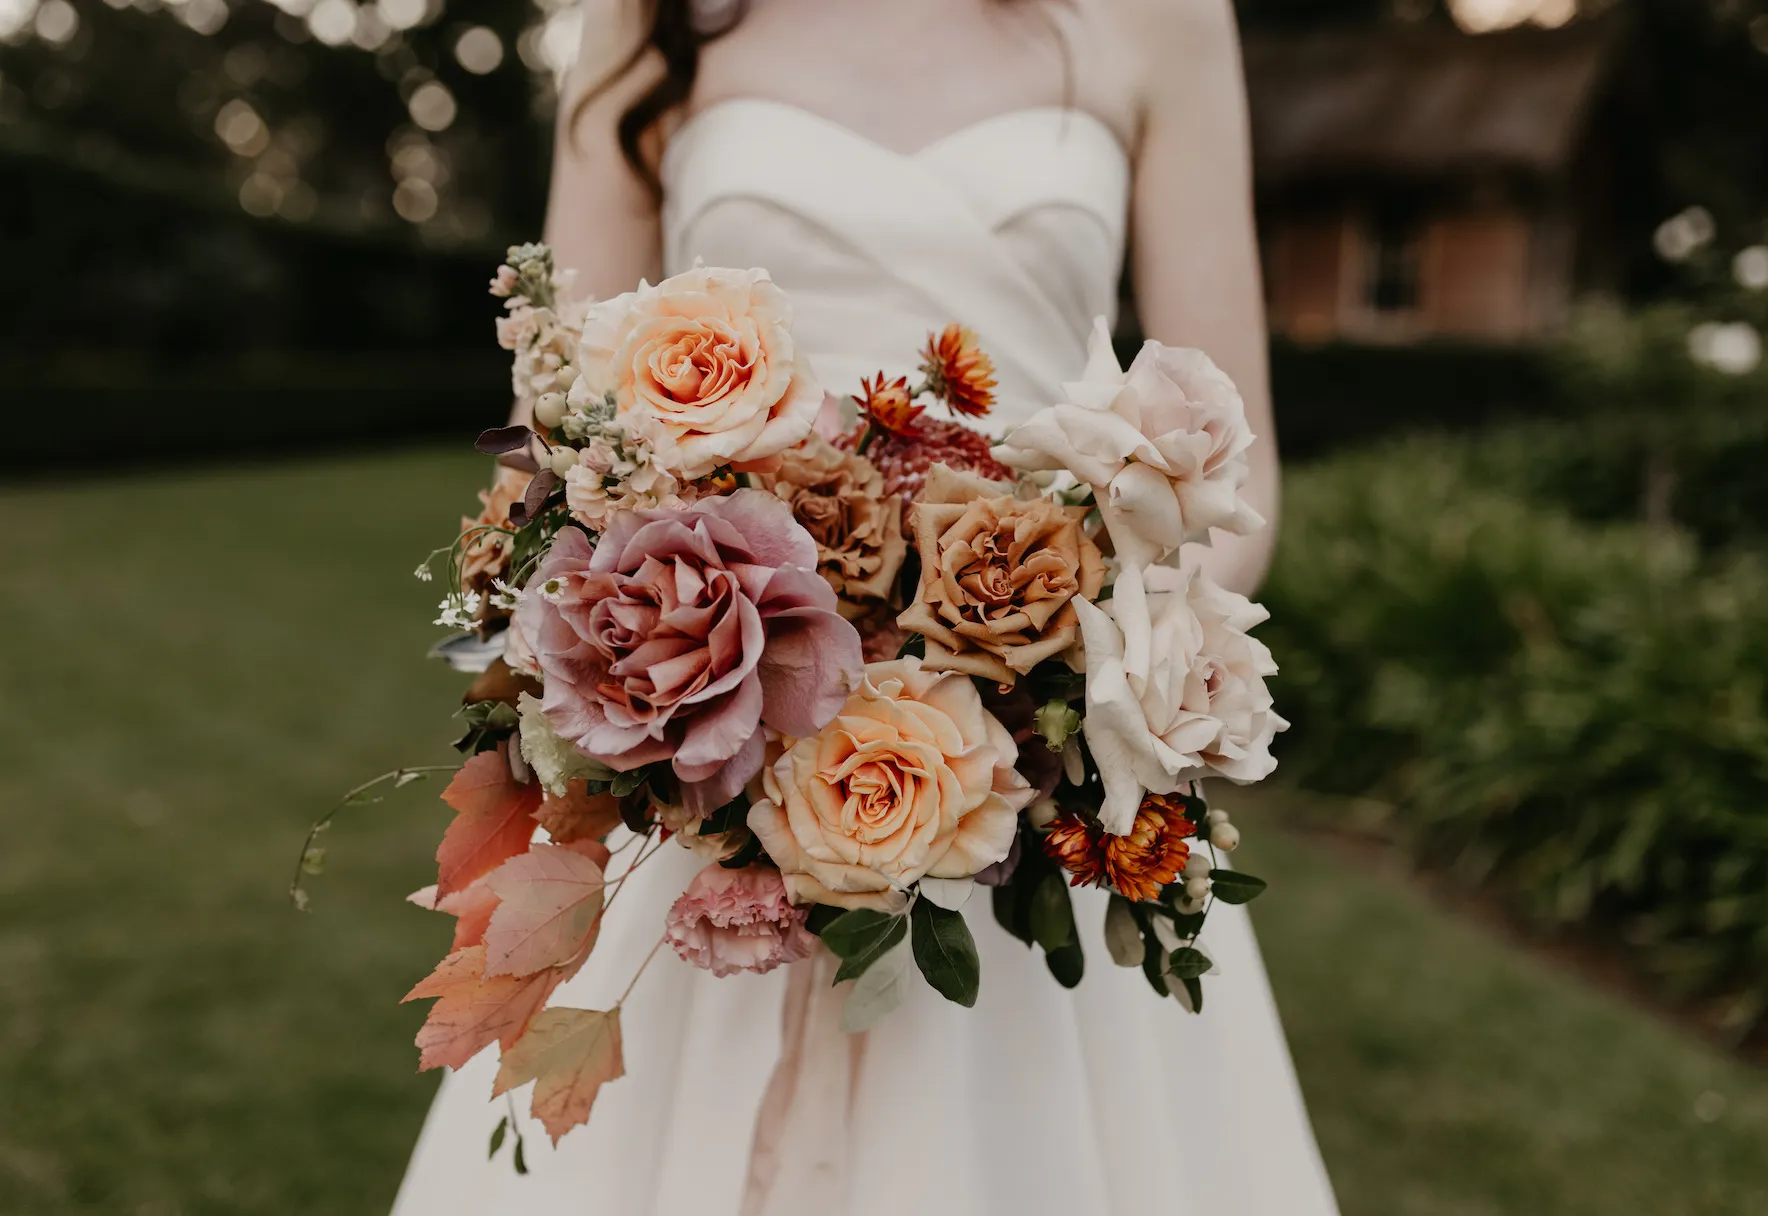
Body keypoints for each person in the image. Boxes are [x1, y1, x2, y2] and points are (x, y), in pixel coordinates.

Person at [393, 1, 1338, 1211]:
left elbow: (1232, 480)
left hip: (1038, 773)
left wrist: (1062, 689)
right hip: (711, 737)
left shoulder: (1166, 19)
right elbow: (557, 428)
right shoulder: (648, 15)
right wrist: (672, 668)